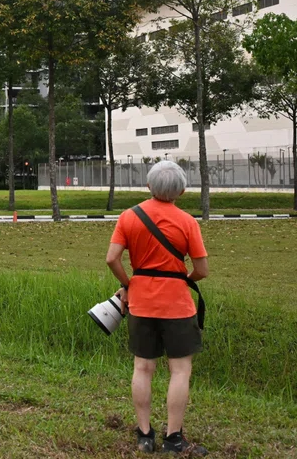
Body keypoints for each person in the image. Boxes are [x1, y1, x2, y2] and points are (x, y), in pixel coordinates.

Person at [105, 160, 209, 455]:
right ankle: (174, 438)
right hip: (177, 304)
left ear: (148, 186)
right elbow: (202, 269)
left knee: (143, 366)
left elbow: (112, 258)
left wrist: (128, 284)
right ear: (183, 191)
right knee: (179, 370)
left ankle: (144, 435)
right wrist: (183, 278)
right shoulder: (188, 222)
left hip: (141, 302)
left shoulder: (129, 217)